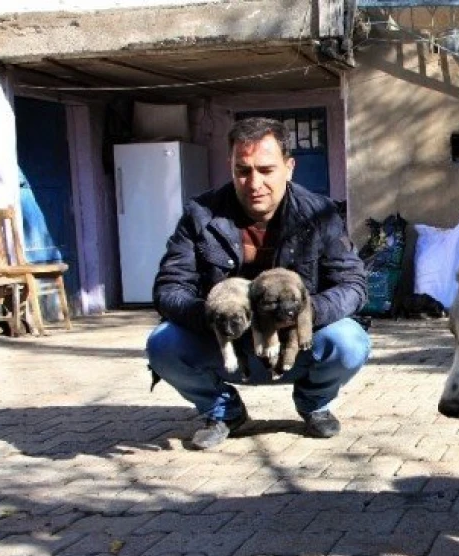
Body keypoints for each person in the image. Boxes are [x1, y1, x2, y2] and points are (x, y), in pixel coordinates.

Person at [146, 116, 369, 450]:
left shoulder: (320, 213)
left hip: (294, 343)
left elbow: (353, 285)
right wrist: (215, 316)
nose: (254, 183)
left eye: (266, 170)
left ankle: (313, 402)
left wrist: (299, 316)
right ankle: (224, 412)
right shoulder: (199, 214)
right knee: (162, 344)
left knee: (350, 342)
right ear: (230, 167)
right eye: (243, 170)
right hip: (227, 341)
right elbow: (168, 287)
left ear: (289, 167)